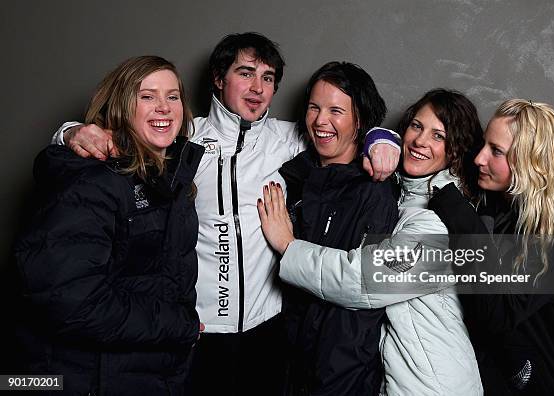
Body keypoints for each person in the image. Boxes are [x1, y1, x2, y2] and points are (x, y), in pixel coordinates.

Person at [50, 33, 400, 395]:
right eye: (245, 73)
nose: (257, 88)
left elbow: (344, 128)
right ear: (219, 78)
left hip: (268, 329)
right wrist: (70, 132)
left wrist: (383, 138)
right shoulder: (181, 133)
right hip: (195, 329)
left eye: (267, 78)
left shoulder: (291, 139)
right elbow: (112, 133)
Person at [258, 89, 484, 395]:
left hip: (433, 386)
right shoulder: (405, 198)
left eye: (438, 136)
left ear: (456, 151)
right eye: (416, 127)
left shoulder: (439, 221)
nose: (420, 141)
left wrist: (288, 245)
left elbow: (362, 279)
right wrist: (379, 138)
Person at [13, 56, 204, 395]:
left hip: (147, 374)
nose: (163, 107)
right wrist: (181, 325)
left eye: (172, 96)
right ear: (121, 107)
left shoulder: (168, 178)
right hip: (88, 379)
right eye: (147, 96)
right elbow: (73, 303)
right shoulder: (91, 182)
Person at [428, 99, 554, 395]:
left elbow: (498, 314)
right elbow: (425, 151)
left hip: (550, 386)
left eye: (496, 151)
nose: (479, 158)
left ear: (531, 164)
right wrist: (382, 143)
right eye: (485, 145)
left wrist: (460, 216)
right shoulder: (495, 202)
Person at [268, 61, 399, 395]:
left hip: (342, 376)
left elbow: (364, 289)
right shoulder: (295, 175)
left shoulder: (375, 189)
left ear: (360, 122)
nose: (321, 121)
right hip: (288, 365)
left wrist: (288, 245)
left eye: (336, 111)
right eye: (314, 107)